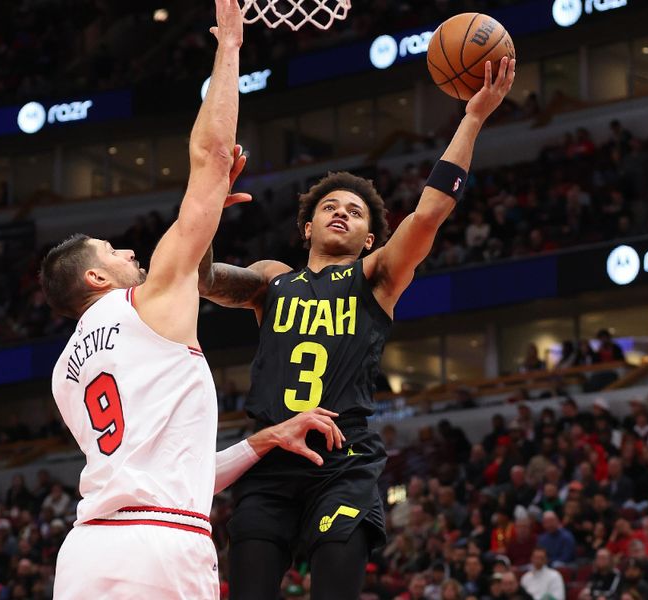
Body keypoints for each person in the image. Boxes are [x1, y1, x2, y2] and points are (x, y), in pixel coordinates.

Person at [40, 3, 344, 598]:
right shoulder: (147, 300)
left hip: (86, 554)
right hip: (163, 546)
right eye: (113, 253)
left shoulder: (63, 375)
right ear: (97, 280)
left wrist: (261, 441)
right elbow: (209, 160)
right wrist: (229, 45)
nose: (130, 254)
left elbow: (169, 471)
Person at [199, 56, 517, 599]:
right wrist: (205, 205)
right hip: (270, 461)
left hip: (343, 462)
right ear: (307, 226)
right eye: (329, 206)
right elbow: (201, 278)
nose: (341, 213)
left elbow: (429, 212)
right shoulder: (272, 280)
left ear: (371, 238)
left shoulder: (377, 277)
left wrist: (473, 118)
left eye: (355, 211)